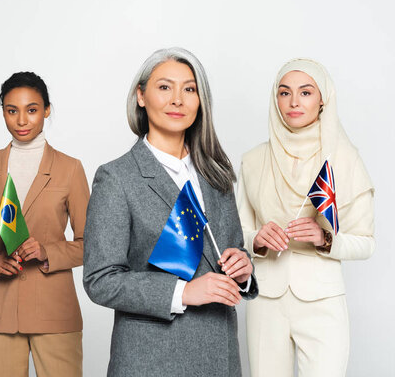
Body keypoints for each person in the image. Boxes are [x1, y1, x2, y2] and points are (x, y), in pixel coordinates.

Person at [83, 47, 258, 377]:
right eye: (165, 87)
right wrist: (184, 292)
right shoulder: (117, 177)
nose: (178, 99)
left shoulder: (217, 174)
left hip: (218, 357)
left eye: (189, 89)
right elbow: (100, 280)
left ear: (200, 100)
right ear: (141, 96)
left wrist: (244, 269)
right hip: (151, 360)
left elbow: (233, 250)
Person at [237, 58, 375, 376]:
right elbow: (237, 232)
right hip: (266, 300)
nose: (294, 101)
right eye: (284, 93)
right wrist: (256, 239)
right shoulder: (253, 160)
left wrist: (324, 238)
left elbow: (366, 243)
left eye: (306, 92)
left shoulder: (344, 159)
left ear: (323, 99)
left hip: (323, 300)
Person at [0, 71, 89, 377]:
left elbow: (92, 244)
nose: (21, 120)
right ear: (3, 112)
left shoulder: (70, 169)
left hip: (54, 312)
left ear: (47, 110)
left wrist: (48, 251)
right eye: (12, 111)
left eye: (32, 110)